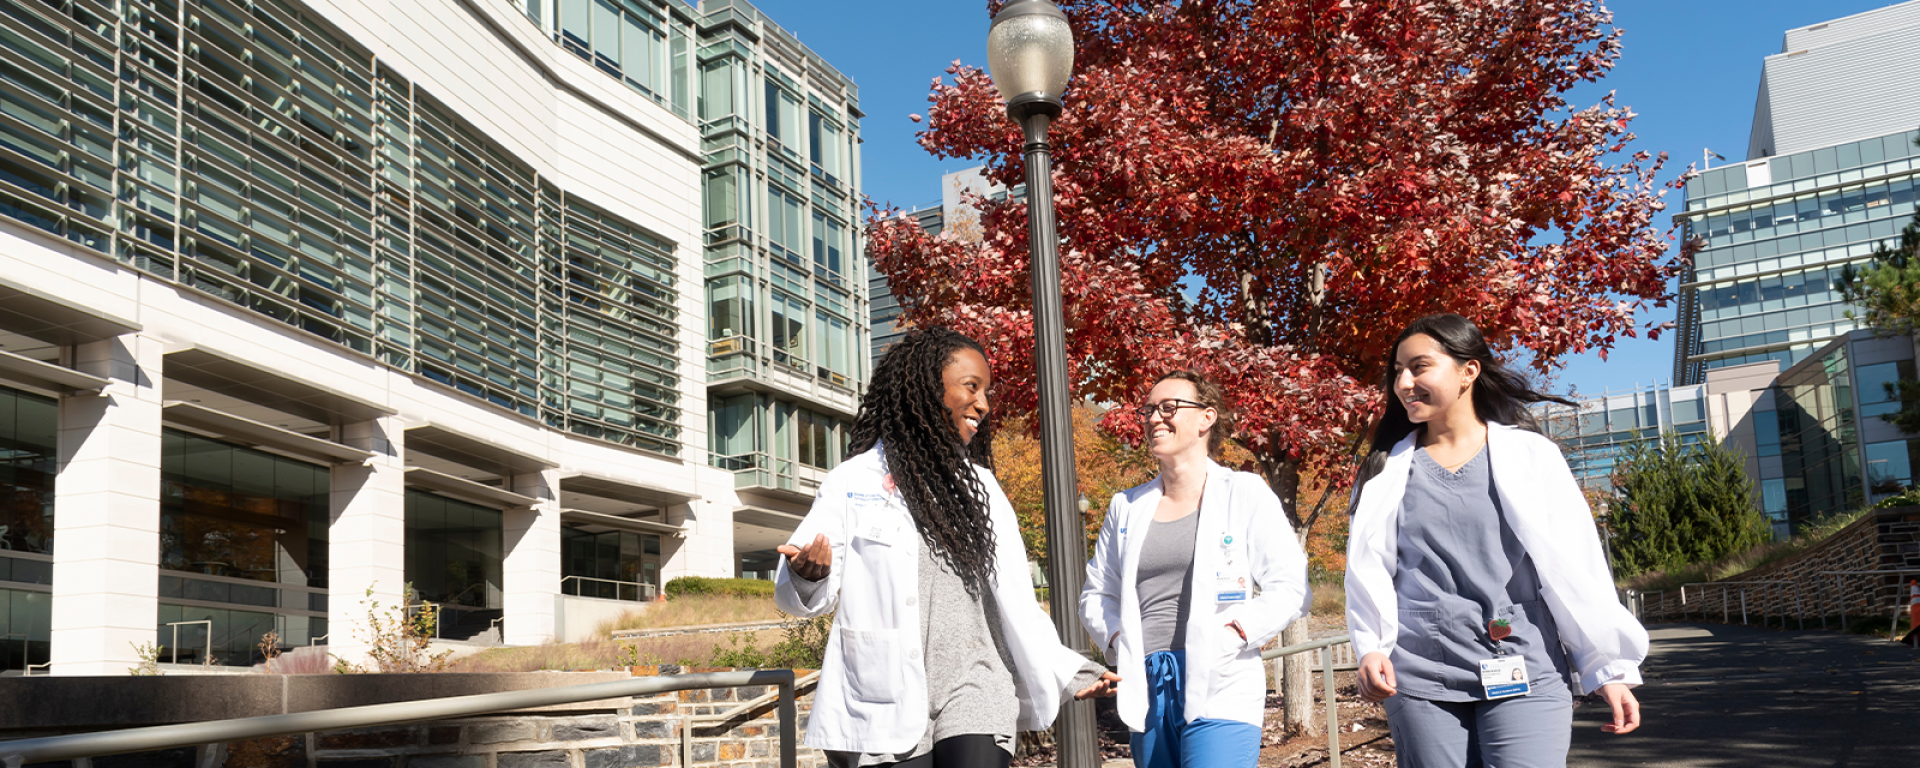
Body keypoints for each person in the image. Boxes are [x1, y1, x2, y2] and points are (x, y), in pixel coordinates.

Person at [774, 327, 1118, 768]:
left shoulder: (984, 490)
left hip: (977, 679)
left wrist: (1066, 667)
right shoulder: (853, 481)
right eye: (971, 387)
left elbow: (1017, 599)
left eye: (987, 391)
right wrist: (807, 576)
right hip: (884, 688)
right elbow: (803, 591)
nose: (984, 404)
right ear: (925, 389)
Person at [1344, 314, 1648, 768]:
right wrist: (1371, 646)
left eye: (1420, 367)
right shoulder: (1384, 469)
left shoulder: (1531, 456)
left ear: (1469, 370)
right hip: (1423, 678)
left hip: (1525, 666)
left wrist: (1609, 667)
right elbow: (1369, 571)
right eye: (1397, 372)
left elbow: (1577, 565)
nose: (1404, 383)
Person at [1081, 370, 1311, 768]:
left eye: (1168, 407)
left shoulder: (1244, 492)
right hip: (1147, 686)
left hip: (1221, 678)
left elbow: (1291, 586)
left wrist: (1235, 632)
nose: (1155, 417)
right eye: (1149, 409)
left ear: (1207, 417)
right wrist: (1119, 639)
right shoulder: (1127, 506)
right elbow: (1096, 594)